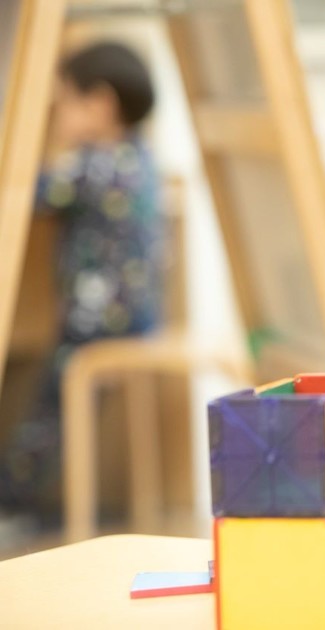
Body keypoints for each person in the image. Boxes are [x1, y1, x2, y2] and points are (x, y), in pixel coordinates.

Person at [0, 41, 163, 527]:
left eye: (64, 101)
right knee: (50, 407)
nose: (57, 115)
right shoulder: (137, 158)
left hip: (98, 323)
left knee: (46, 416)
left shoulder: (93, 165)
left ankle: (11, 502)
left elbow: (29, 194)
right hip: (134, 316)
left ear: (100, 104)